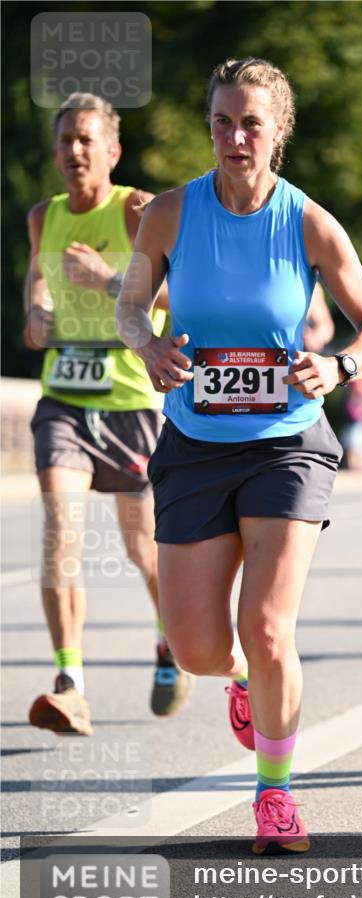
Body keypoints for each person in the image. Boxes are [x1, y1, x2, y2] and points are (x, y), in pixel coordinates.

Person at [116, 57, 362, 852]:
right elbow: (130, 306)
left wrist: (341, 364)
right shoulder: (168, 215)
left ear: (278, 131)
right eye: (221, 122)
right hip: (195, 445)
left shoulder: (309, 223)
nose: (234, 137)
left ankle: (275, 796)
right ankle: (239, 678)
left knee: (270, 627)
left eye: (250, 123)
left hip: (287, 445)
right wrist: (145, 347)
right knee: (201, 645)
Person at [24, 93, 194, 738]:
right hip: (65, 399)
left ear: (112, 151)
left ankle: (168, 640)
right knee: (60, 533)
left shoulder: (136, 210)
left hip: (129, 402)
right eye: (65, 140)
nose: (73, 152)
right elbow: (33, 315)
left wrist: (105, 280)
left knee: (143, 550)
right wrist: (38, 316)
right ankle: (71, 684)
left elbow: (185, 292)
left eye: (86, 140)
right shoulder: (44, 218)